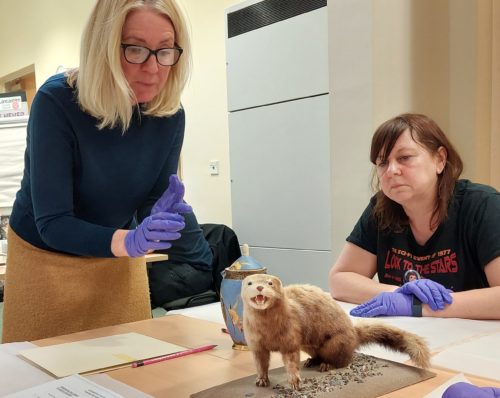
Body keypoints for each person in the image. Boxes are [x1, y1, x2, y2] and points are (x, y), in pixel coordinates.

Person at [3, 0, 195, 343]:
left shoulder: (170, 115)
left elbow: (150, 200)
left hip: (118, 256)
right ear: (102, 46)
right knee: (40, 375)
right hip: (45, 258)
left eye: (165, 51)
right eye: (135, 49)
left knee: (131, 365)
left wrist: (162, 217)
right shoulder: (57, 102)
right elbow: (54, 222)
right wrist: (132, 240)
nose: (153, 68)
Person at [328, 113, 500, 320]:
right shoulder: (381, 208)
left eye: (404, 158)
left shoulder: (482, 205)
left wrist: (417, 306)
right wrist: (396, 295)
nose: (391, 170)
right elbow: (339, 279)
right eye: (382, 162)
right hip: (408, 338)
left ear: (440, 160)